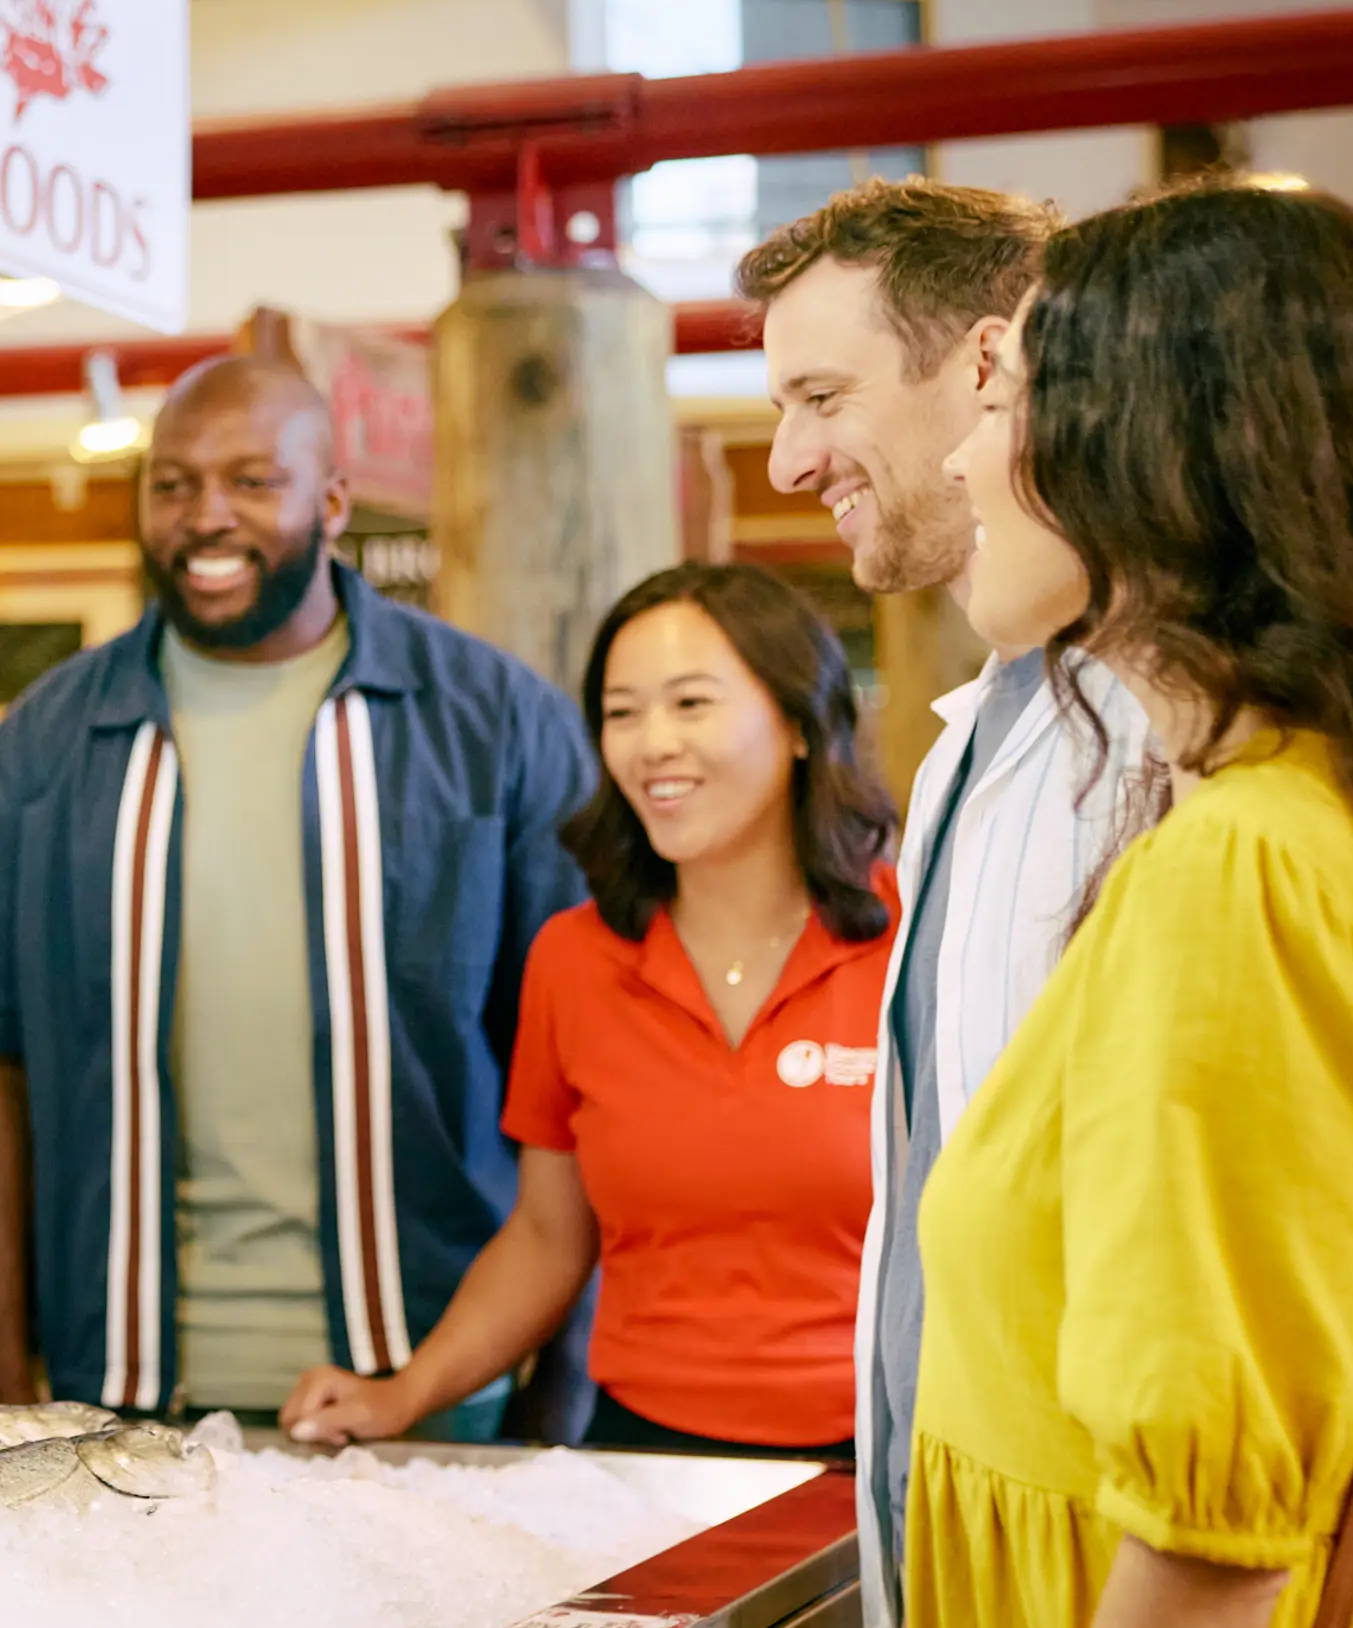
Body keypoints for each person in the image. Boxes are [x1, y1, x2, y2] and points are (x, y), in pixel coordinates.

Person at [895, 180, 1353, 1628]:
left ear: (1139, 446)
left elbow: (1209, 1547)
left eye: (1001, 400)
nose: (967, 456)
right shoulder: (1332, 817)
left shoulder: (1251, 869)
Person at [0, 355, 594, 1426]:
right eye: (172, 484)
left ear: (333, 501)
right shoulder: (36, 754)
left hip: (435, 1387)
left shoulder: (493, 723)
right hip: (121, 1402)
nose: (205, 517)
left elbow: (585, 1070)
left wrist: (564, 1385)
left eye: (252, 482)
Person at [747, 176, 1153, 1628]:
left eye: (821, 393)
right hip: (973, 1623)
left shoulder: (1179, 753)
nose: (790, 456)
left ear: (988, 369)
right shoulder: (973, 747)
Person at [280, 564, 894, 1460]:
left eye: (690, 705)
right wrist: (400, 1395)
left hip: (885, 1459)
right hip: (643, 1462)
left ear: (799, 723)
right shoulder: (576, 958)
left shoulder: (917, 938)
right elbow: (545, 1237)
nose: (651, 745)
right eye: (621, 712)